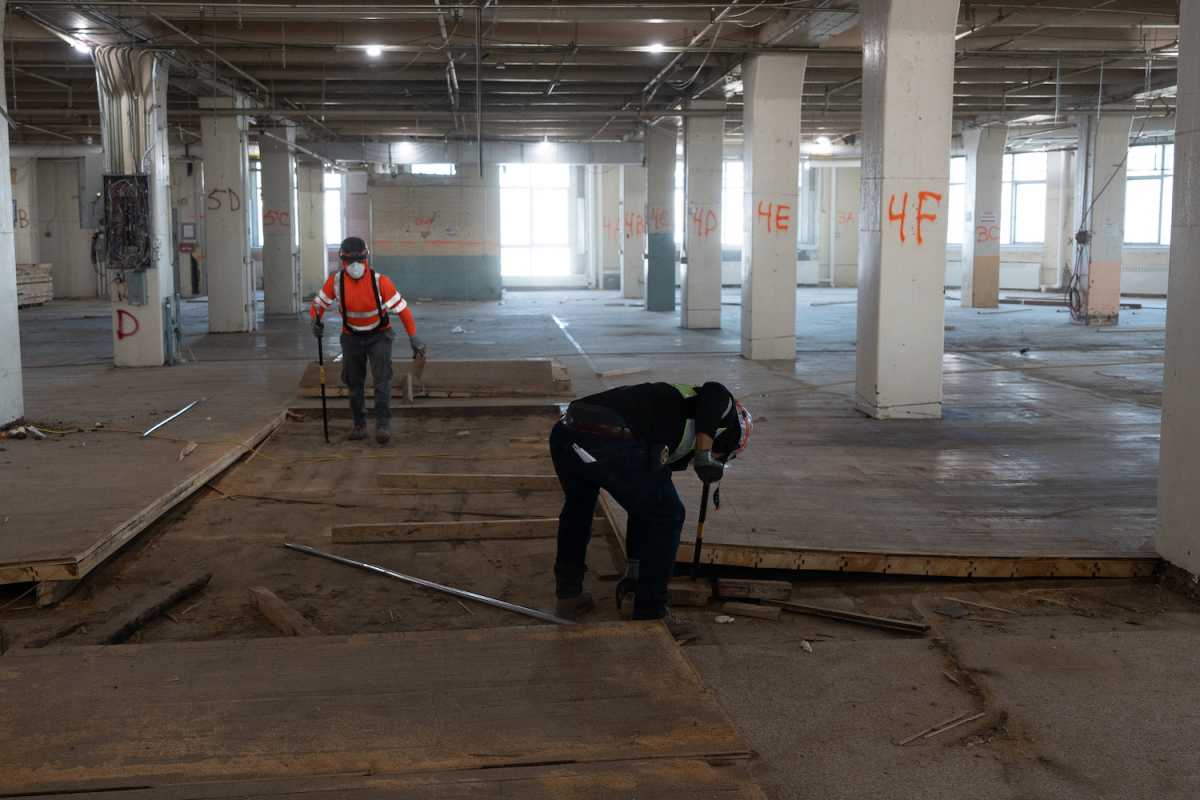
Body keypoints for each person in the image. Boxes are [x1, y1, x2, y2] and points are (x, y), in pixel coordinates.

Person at [549, 381, 752, 638]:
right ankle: (651, 614)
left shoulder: (662, 427)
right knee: (668, 515)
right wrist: (703, 456)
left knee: (580, 508)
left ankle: (569, 596)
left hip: (567, 430)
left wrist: (635, 569)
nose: (718, 457)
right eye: (722, 455)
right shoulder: (723, 405)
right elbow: (713, 393)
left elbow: (641, 505)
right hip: (610, 435)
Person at [310, 236, 426, 444]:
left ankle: (383, 425)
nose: (354, 266)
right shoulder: (335, 282)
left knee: (382, 381)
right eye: (349, 261)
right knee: (354, 383)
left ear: (366, 259)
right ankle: (359, 425)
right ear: (342, 261)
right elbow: (318, 304)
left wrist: (413, 337)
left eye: (359, 260)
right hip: (351, 337)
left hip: (379, 336)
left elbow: (403, 310)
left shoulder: (380, 281)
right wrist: (315, 321)